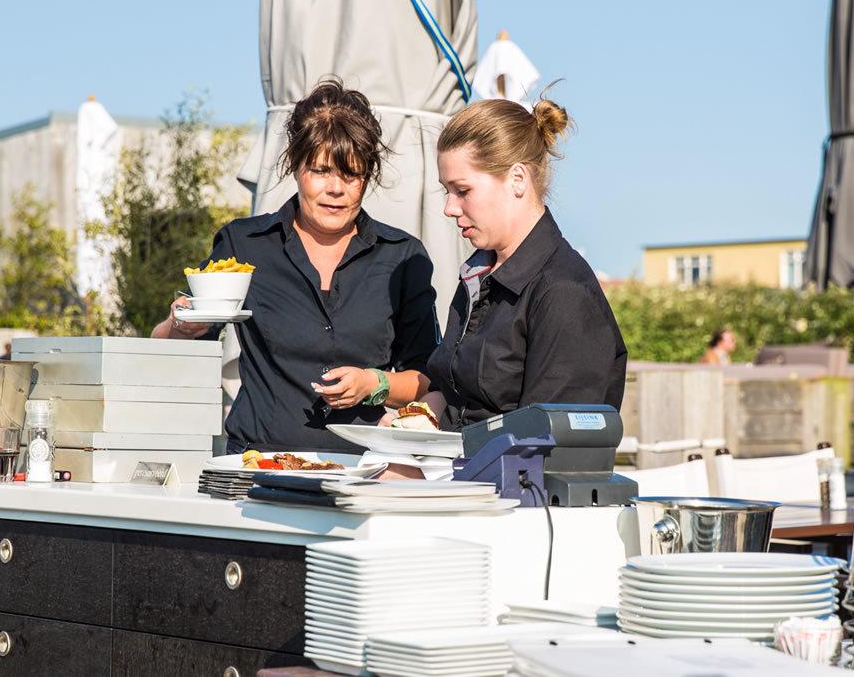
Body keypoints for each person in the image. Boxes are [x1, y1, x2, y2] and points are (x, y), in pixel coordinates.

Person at [153, 79, 439, 454]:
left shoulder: (402, 256)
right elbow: (168, 352)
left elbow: (428, 381)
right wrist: (181, 324)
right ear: (295, 165)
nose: (335, 188)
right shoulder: (245, 244)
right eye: (320, 170)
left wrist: (374, 384)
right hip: (257, 464)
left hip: (364, 470)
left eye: (351, 174)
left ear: (368, 175)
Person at [412, 94, 627, 431]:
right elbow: (454, 397)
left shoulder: (563, 293)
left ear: (517, 179)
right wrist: (408, 426)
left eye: (462, 190)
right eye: (446, 191)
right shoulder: (478, 274)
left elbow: (550, 443)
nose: (449, 208)